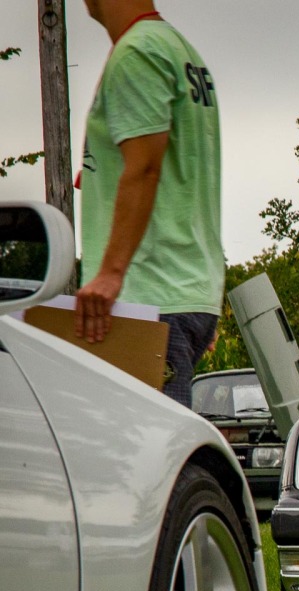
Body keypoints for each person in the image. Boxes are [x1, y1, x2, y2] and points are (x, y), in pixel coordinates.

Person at [75, 0, 223, 407]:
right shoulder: (179, 51)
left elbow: (144, 169)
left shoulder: (136, 53)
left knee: (146, 444)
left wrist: (109, 274)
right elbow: (185, 175)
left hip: (149, 299)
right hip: (180, 292)